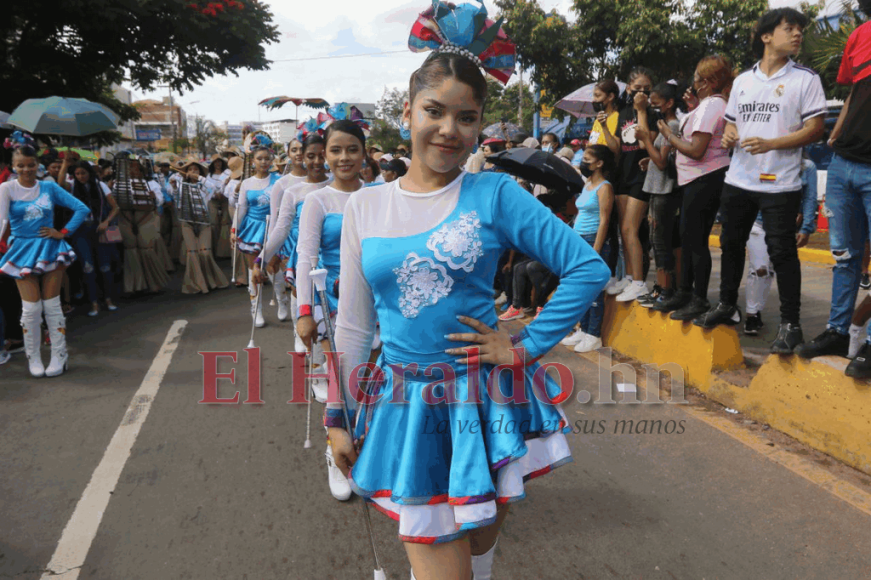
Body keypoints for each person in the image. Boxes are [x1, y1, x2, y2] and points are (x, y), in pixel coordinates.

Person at [329, 5, 610, 577]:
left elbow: (588, 268)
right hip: (406, 403)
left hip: (486, 397)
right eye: (434, 111)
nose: (449, 130)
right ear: (407, 112)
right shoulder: (366, 205)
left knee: (479, 550)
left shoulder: (496, 195)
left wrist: (525, 345)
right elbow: (355, 325)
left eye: (467, 117)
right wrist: (339, 411)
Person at [694, 9, 826, 355]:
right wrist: (730, 136)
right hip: (739, 178)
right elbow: (732, 124)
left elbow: (814, 129)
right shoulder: (743, 81)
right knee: (731, 244)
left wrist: (771, 144)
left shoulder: (805, 79)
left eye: (800, 29)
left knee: (782, 252)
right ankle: (726, 305)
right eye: (790, 28)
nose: (797, 34)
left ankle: (791, 324)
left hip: (781, 183)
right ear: (766, 36)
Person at [288, 120, 367, 502]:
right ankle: (333, 452)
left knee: (369, 386)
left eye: (352, 149)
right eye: (336, 150)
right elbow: (305, 256)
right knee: (340, 383)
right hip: (332, 303)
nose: (343, 157)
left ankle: (362, 451)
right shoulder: (317, 200)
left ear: (365, 153)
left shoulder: (378, 195)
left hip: (374, 301)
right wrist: (305, 311)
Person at [797, 1, 871, 375]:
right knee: (844, 257)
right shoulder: (859, 35)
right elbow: (855, 94)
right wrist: (836, 135)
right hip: (844, 163)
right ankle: (837, 331)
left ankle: (870, 343)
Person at [651, 55, 734, 321]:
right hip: (696, 179)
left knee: (694, 241)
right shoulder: (707, 105)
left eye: (697, 78)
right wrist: (693, 107)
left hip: (705, 177)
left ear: (707, 82)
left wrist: (668, 136)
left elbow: (696, 150)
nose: (693, 82)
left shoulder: (712, 107)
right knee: (687, 239)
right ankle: (685, 292)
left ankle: (697, 298)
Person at [0, 134, 90, 377]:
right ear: (13, 166)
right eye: (21, 165)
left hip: (50, 248)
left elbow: (82, 208)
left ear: (37, 164)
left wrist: (63, 232)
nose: (27, 169)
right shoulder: (6, 188)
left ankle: (60, 356)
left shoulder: (49, 187)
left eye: (31, 164)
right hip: (21, 250)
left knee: (52, 306)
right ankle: (34, 358)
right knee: (30, 309)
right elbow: (1, 220)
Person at [743, 155, 818, 335]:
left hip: (784, 225)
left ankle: (771, 316)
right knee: (759, 268)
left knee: (770, 271)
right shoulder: (762, 160)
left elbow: (810, 198)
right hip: (757, 222)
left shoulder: (807, 167)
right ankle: (751, 315)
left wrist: (807, 227)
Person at [259, 137, 328, 324]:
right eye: (310, 156)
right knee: (300, 289)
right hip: (300, 248)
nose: (317, 161)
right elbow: (280, 226)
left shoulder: (338, 184)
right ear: (302, 158)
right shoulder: (291, 190)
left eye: (322, 155)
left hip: (334, 252)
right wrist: (263, 258)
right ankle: (299, 332)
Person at [562, 145, 616, 352]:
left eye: (586, 159)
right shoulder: (587, 184)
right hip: (578, 239)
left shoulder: (605, 187)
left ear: (599, 163)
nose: (583, 162)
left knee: (594, 289)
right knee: (580, 288)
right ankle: (583, 330)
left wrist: (596, 249)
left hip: (593, 240)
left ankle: (594, 334)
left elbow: (604, 220)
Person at [636, 81, 684, 307]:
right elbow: (660, 159)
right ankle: (661, 288)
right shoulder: (668, 124)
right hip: (658, 188)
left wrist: (646, 140)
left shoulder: (672, 126)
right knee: (661, 240)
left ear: (669, 103)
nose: (653, 107)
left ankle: (666, 290)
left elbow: (663, 162)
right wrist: (650, 160)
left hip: (664, 191)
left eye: (655, 104)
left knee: (660, 241)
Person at [613, 67, 658, 303]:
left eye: (646, 89)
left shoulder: (652, 113)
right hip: (624, 175)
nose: (641, 92)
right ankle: (629, 277)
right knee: (624, 231)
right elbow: (619, 146)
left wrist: (642, 110)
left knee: (631, 229)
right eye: (637, 88)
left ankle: (640, 282)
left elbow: (644, 142)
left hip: (642, 176)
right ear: (628, 88)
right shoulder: (622, 112)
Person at [233, 146, 281, 327]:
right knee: (253, 270)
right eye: (259, 158)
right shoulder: (246, 183)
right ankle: (256, 309)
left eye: (267, 158)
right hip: (252, 229)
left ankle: (282, 301)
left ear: (271, 160)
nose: (263, 162)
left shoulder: (279, 180)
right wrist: (234, 229)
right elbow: (242, 208)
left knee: (273, 267)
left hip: (273, 228)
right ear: (253, 161)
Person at [68, 162, 121, 315]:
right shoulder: (71, 186)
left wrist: (106, 221)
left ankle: (109, 299)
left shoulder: (100, 186)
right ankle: (93, 302)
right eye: (77, 174)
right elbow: (59, 183)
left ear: (90, 173)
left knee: (105, 266)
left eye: (83, 173)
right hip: (81, 232)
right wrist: (66, 163)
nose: (81, 177)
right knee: (88, 267)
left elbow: (115, 207)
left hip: (100, 229)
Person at [117, 158, 170, 294]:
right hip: (125, 217)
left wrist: (153, 198)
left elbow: (159, 201)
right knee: (130, 249)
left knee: (146, 247)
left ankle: (154, 282)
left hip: (146, 217)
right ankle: (134, 286)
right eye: (129, 168)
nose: (131, 171)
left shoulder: (151, 183)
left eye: (134, 168)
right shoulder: (119, 184)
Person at [177, 160, 229, 294]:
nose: (193, 172)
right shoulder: (180, 184)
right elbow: (173, 188)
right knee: (193, 254)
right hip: (187, 221)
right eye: (190, 170)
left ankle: (211, 280)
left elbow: (213, 187)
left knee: (205, 253)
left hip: (204, 221)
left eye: (196, 170)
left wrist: (199, 178)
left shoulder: (205, 187)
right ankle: (196, 285)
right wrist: (184, 178)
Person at [225, 156, 248, 287]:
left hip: (251, 215)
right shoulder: (232, 184)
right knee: (239, 245)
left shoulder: (250, 180)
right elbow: (232, 203)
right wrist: (237, 191)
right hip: (237, 214)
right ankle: (241, 275)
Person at [206, 155, 232, 259]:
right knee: (213, 223)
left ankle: (224, 252)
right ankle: (213, 249)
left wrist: (223, 192)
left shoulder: (228, 173)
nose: (218, 164)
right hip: (213, 200)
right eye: (215, 162)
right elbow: (207, 188)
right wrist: (214, 194)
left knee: (226, 223)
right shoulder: (209, 175)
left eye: (219, 162)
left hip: (225, 199)